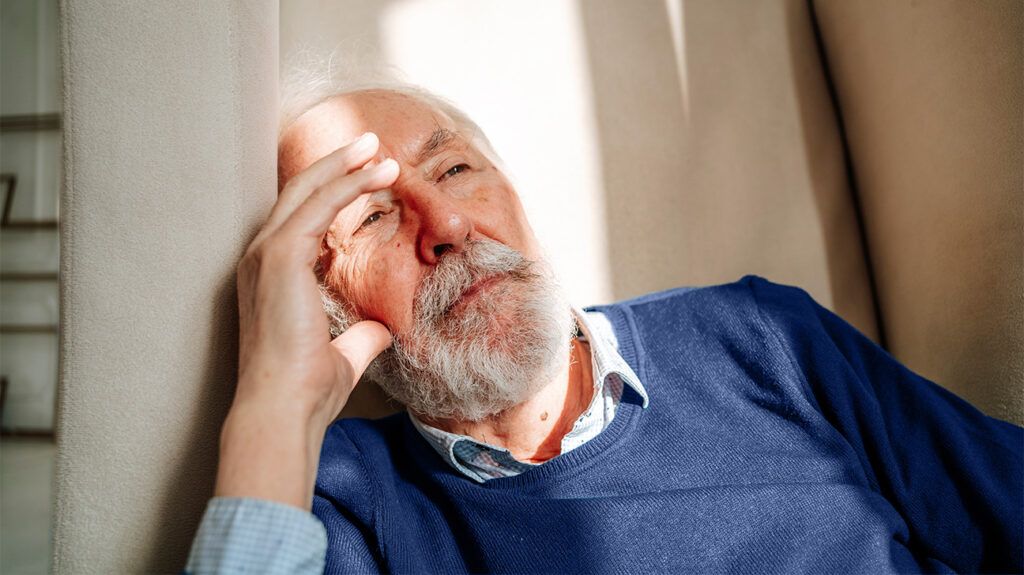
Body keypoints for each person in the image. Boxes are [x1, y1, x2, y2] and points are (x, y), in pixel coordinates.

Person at [185, 80, 1022, 574]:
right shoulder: (343, 499)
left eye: (457, 168)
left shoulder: (762, 334)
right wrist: (271, 408)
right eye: (370, 218)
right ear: (324, 304)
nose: (445, 222)